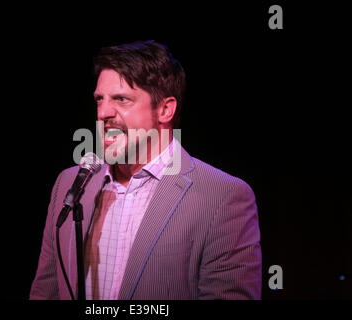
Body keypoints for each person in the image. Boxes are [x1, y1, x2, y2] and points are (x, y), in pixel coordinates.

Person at [29, 41, 262, 300]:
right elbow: (46, 290)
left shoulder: (222, 196)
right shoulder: (70, 183)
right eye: (99, 99)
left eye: (121, 99)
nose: (103, 112)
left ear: (164, 109)